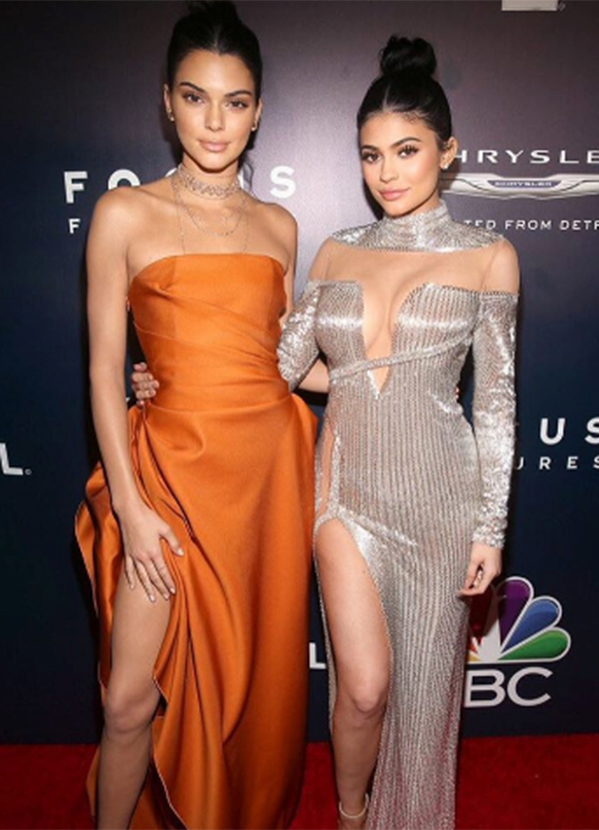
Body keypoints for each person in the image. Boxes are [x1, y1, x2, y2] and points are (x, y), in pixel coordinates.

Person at [133, 33, 519, 830]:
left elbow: (497, 403)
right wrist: (174, 371)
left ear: (448, 153)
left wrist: (490, 527)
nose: (387, 173)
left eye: (407, 151)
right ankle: (350, 813)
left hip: (442, 500)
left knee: (424, 699)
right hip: (345, 493)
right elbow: (276, 364)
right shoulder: (339, 251)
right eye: (372, 155)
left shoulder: (489, 257)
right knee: (365, 688)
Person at [75, 3, 317, 828]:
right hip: (167, 479)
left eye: (235, 101)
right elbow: (103, 370)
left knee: (244, 691)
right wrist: (131, 507)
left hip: (262, 484)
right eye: (195, 97)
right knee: (128, 701)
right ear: (166, 102)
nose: (215, 122)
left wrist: (396, 370)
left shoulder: (280, 228)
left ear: (258, 112)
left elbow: (280, 357)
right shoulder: (124, 214)